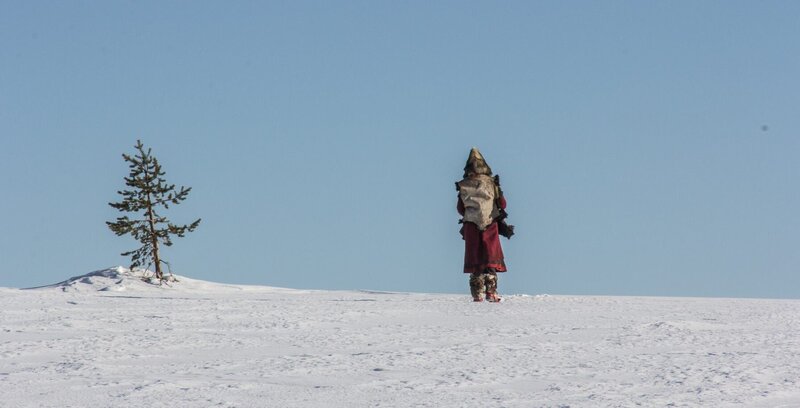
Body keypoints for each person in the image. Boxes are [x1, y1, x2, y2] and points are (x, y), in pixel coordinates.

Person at [456, 147, 510, 302]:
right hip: (490, 223)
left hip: (471, 226)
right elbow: (502, 204)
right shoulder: (492, 183)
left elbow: (460, 209)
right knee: (491, 258)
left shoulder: (463, 185)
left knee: (475, 259)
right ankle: (491, 293)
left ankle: (477, 294)